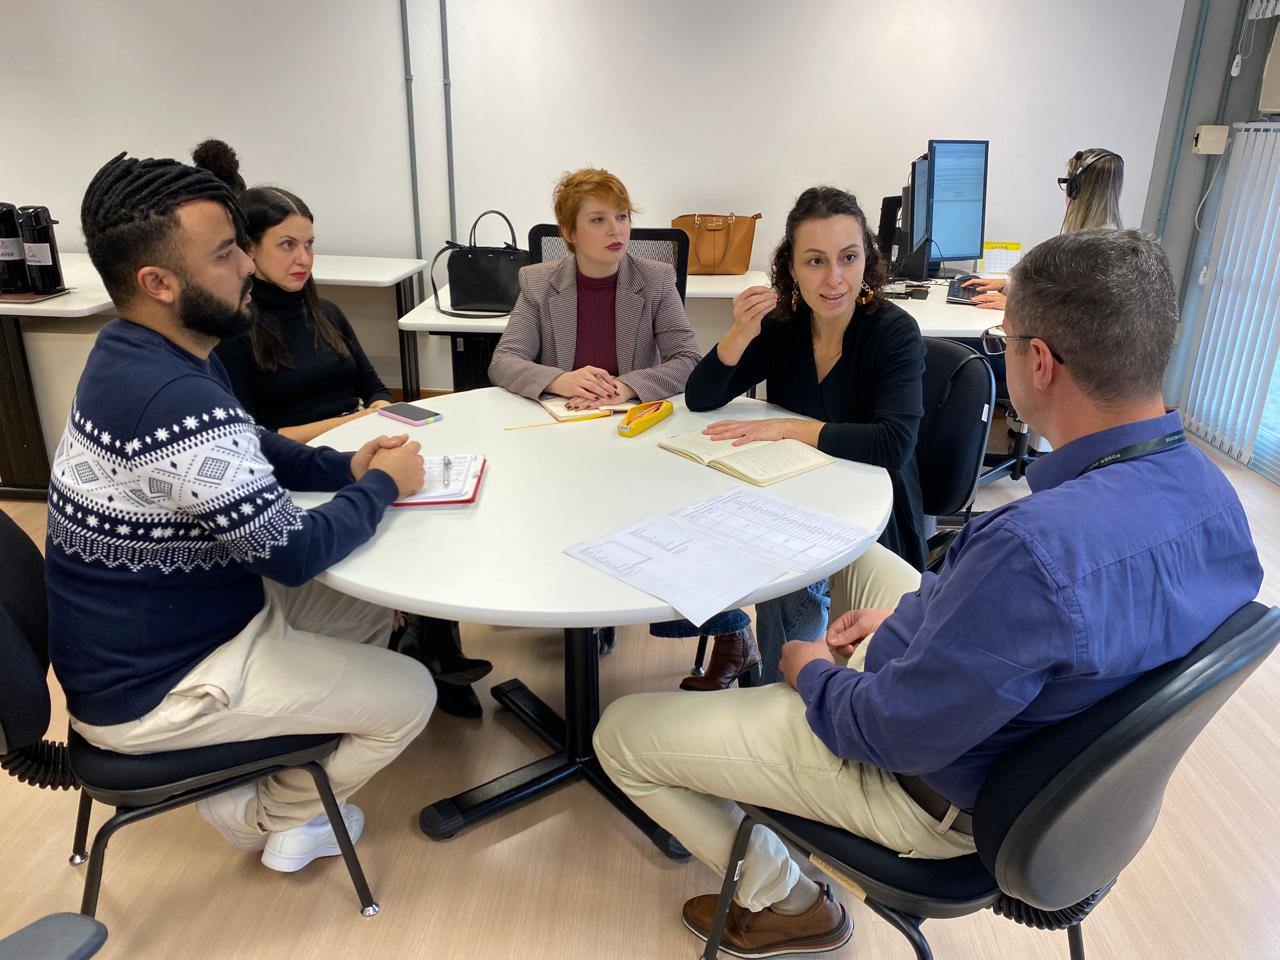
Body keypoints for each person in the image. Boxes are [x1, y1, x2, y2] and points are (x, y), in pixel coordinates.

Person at [594, 229, 1262, 958]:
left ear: (1037, 361)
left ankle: (792, 902)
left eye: (1005, 340)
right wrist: (929, 620)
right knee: (851, 555)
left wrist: (806, 668)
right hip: (1000, 709)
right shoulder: (1215, 498)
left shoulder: (1028, 552)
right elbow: (1073, 629)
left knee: (620, 734)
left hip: (923, 782)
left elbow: (884, 732)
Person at [47, 152, 436, 874]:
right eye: (227, 254)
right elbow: (288, 551)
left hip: (172, 633)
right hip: (157, 688)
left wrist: (347, 466)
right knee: (413, 693)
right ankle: (268, 816)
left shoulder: (142, 351)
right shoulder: (174, 398)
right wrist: (381, 485)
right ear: (158, 282)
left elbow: (251, 445)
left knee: (362, 611)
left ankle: (270, 768)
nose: (250, 267)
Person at [195, 141, 491, 717]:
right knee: (397, 510)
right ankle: (420, 648)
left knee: (434, 504)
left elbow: (375, 385)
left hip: (362, 444)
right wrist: (353, 424)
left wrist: (383, 416)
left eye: (309, 244)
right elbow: (258, 436)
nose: (303, 257)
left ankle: (431, 642)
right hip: (299, 469)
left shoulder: (325, 312)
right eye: (286, 245)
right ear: (248, 251)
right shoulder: (235, 333)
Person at [488, 168, 756, 685]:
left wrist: (631, 384)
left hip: (634, 433)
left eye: (623, 216)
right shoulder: (540, 284)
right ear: (568, 232)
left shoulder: (652, 281)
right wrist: (562, 379)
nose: (616, 229)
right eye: (598, 219)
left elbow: (686, 359)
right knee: (550, 510)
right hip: (561, 439)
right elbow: (505, 361)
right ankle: (583, 607)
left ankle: (731, 628)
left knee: (665, 528)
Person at [682, 185, 926, 686]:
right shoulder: (784, 326)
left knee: (791, 574)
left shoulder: (893, 332)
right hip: (794, 494)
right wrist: (740, 331)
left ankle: (789, 691)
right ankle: (775, 675)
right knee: (697, 530)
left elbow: (892, 444)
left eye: (848, 257)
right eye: (815, 261)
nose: (834, 278)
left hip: (873, 510)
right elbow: (700, 397)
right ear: (790, 267)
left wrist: (792, 428)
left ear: (867, 261)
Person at [964, 147, 1124, 311]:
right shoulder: (1099, 239)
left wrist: (1017, 306)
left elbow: (1077, 314)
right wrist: (1007, 285)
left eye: (1067, 183)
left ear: (1074, 190)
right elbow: (1057, 287)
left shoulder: (1097, 251)